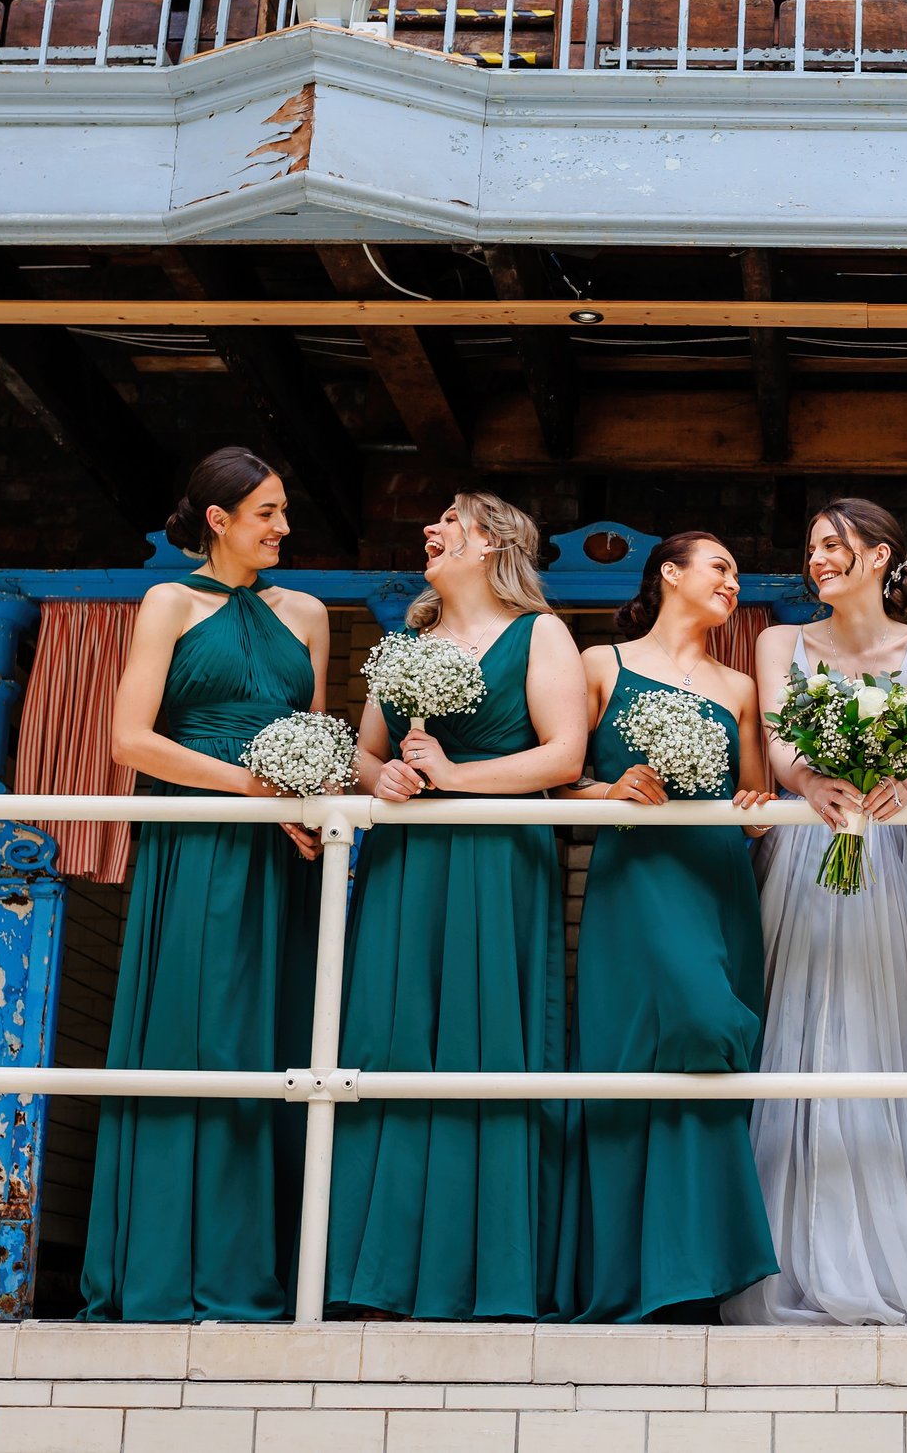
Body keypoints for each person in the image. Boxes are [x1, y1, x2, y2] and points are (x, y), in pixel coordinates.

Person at [83, 447, 330, 1321]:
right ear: (219, 518)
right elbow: (129, 740)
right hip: (196, 839)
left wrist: (304, 801)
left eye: (284, 510)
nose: (284, 528)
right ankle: (163, 1266)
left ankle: (261, 1266)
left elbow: (314, 741)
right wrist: (251, 788)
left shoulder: (308, 613)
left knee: (277, 1042)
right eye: (267, 512)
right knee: (198, 1033)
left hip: (283, 855)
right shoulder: (169, 602)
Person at [326, 493, 586, 1319]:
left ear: (493, 542)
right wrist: (388, 778)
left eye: (450, 521)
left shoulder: (541, 634)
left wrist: (455, 776)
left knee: (486, 1041)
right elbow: (364, 753)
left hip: (496, 862)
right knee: (390, 1033)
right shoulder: (402, 643)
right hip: (406, 863)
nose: (431, 529)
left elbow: (564, 754)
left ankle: (487, 1270)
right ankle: (375, 1271)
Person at [726, 499, 907, 1326]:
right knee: (797, 1025)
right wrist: (810, 782)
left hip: (886, 851)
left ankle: (896, 1245)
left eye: (834, 546)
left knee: (885, 1025)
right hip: (807, 847)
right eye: (812, 548)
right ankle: (791, 1248)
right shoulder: (779, 642)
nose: (818, 560)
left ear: (880, 556)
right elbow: (778, 740)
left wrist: (893, 786)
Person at [561, 531, 779, 1322]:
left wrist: (757, 810)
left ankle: (695, 1279)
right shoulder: (601, 665)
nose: (732, 580)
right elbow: (560, 789)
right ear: (669, 574)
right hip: (637, 881)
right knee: (671, 1036)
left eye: (735, 569)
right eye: (720, 565)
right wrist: (612, 790)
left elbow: (756, 799)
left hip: (719, 884)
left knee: (716, 1048)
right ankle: (628, 1273)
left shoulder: (740, 685)